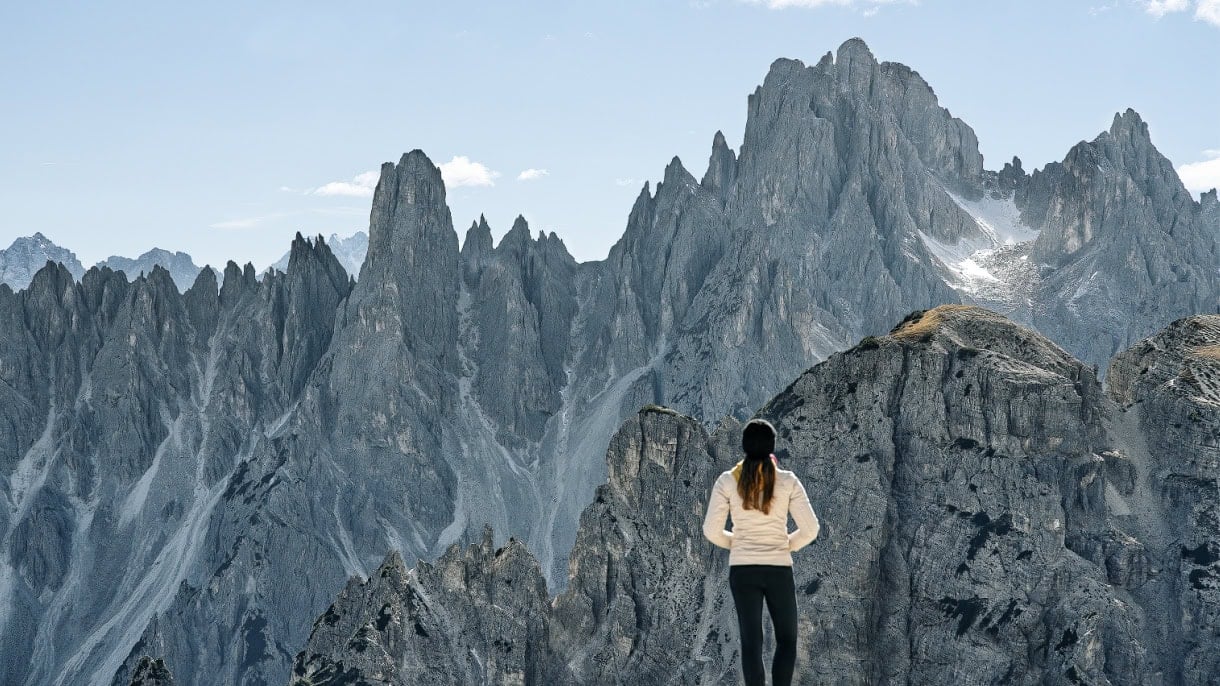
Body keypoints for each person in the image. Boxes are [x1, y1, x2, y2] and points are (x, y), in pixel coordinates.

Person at [702, 418, 820, 686]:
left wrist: (738, 543)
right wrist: (784, 544)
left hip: (743, 571)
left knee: (752, 642)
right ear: (772, 447)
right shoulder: (787, 481)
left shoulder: (726, 482)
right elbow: (811, 528)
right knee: (787, 640)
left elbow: (711, 530)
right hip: (778, 568)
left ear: (744, 446)